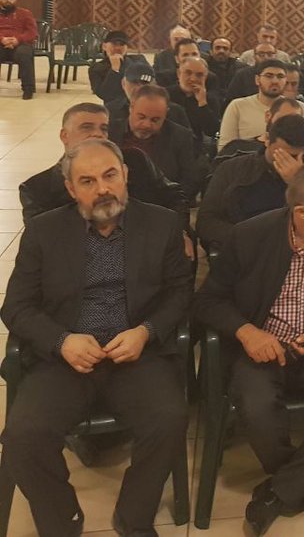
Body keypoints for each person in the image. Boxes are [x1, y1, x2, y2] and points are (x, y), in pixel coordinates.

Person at [1, 140, 192, 537]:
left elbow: (180, 293)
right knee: (23, 436)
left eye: (110, 175)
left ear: (126, 175)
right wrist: (61, 341)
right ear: (71, 189)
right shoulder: (43, 231)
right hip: (66, 358)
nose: (102, 188)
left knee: (169, 419)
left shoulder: (162, 224)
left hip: (135, 353)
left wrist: (146, 332)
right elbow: (16, 306)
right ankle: (63, 521)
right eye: (87, 181)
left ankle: (133, 518)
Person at [194, 160, 304, 535]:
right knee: (256, 405)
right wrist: (247, 332)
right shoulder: (250, 236)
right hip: (264, 346)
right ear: (301, 212)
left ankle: (280, 492)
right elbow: (208, 301)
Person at [19, 102, 184, 227]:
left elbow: (173, 196)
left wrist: (179, 232)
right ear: (64, 136)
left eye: (103, 128)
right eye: (87, 128)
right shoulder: (36, 190)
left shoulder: (135, 160)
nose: (97, 134)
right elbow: (43, 241)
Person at [196, 115, 304, 255]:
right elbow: (206, 222)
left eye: (293, 156)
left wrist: (296, 184)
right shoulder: (232, 169)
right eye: (281, 154)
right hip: (240, 247)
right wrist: (248, 239)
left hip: (290, 250)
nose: (286, 161)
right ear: (267, 140)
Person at [110, 84, 203, 203]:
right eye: (141, 117)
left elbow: (189, 181)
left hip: (161, 206)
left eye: (155, 120)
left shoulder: (180, 137)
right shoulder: (110, 132)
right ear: (131, 108)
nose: (147, 125)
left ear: (166, 113)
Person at [219, 60, 304, 151]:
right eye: (269, 76)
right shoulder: (237, 106)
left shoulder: (299, 107)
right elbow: (225, 148)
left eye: (280, 76)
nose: (275, 81)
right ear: (257, 79)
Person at [168, 56, 222, 146]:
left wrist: (202, 103)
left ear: (205, 77)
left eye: (199, 75)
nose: (193, 79)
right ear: (178, 73)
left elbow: (213, 131)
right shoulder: (165, 95)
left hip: (197, 147)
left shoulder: (210, 99)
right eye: (188, 73)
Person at [88, 29, 148, 105]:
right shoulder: (96, 68)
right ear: (104, 46)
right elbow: (104, 94)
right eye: (114, 44)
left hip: (140, 105)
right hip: (114, 108)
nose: (118, 48)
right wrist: (114, 70)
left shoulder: (138, 60)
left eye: (122, 44)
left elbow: (150, 85)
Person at [0, 0, 38, 99]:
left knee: (24, 54)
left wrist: (17, 39)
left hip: (20, 44)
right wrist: (2, 39)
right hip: (1, 44)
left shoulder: (25, 13)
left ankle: (28, 89)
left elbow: (32, 32)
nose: (8, 0)